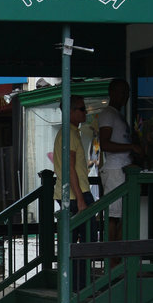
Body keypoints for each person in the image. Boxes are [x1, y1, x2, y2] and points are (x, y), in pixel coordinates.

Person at [53, 94, 96, 289]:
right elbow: (70, 168)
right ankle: (79, 286)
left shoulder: (71, 132)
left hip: (72, 193)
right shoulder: (69, 133)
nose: (85, 111)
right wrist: (80, 197)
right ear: (70, 111)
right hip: (74, 194)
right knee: (85, 241)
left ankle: (76, 284)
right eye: (81, 109)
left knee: (80, 241)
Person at [99, 79, 143, 244]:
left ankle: (118, 259)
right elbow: (104, 144)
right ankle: (112, 261)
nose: (125, 96)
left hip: (124, 170)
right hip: (114, 170)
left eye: (127, 92)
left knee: (124, 216)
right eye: (121, 92)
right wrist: (131, 146)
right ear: (111, 93)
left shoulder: (118, 115)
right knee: (113, 216)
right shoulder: (108, 113)